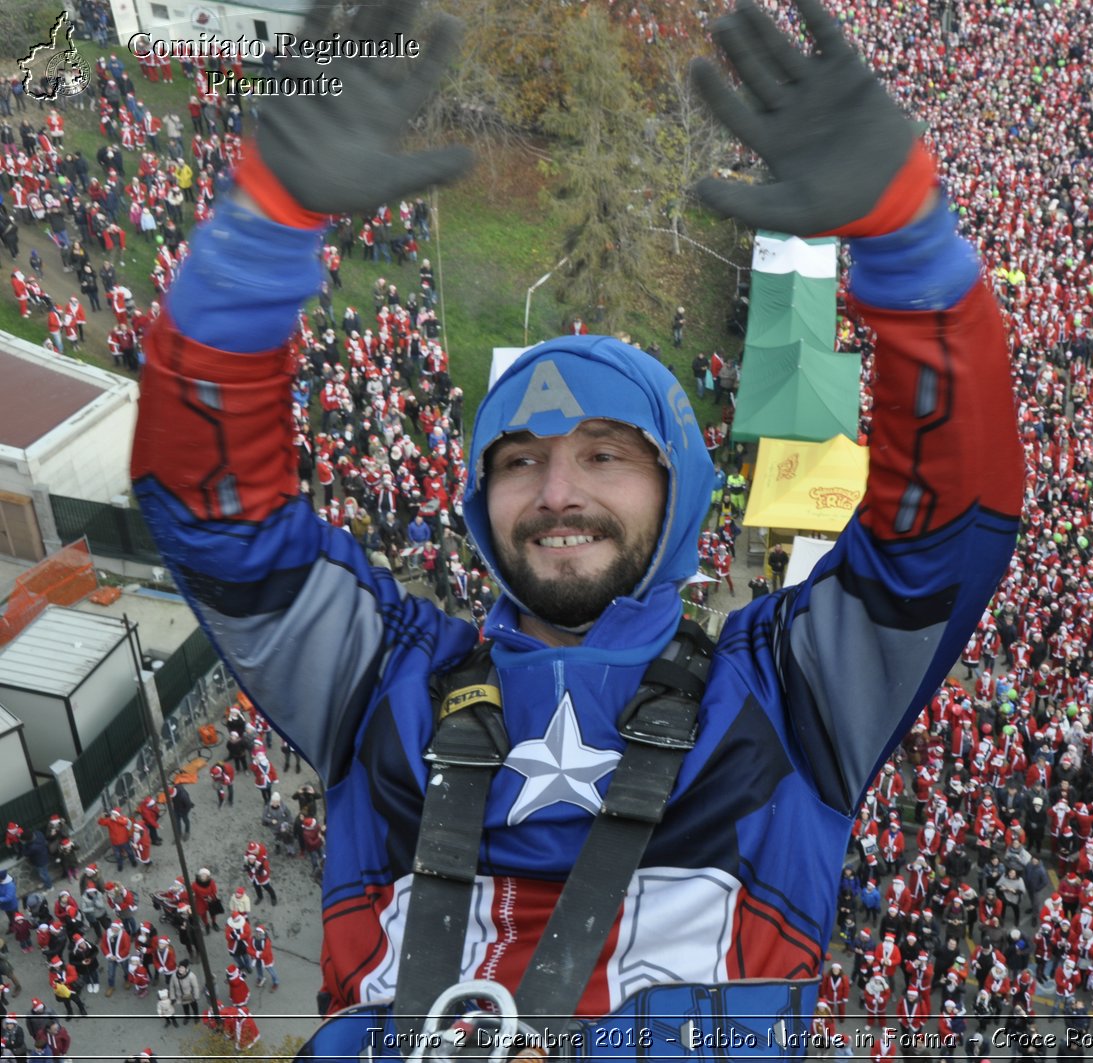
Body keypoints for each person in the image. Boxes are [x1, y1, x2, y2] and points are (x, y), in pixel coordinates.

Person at [129, 0, 1020, 1058]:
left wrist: (912, 246)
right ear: (476, 501)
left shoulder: (795, 695)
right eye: (518, 461)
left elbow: (946, 528)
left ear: (680, 492)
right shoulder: (378, 684)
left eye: (605, 454)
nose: (557, 491)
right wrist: (258, 231)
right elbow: (211, 519)